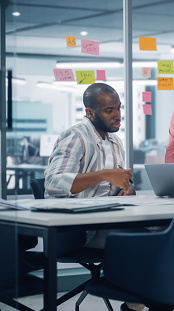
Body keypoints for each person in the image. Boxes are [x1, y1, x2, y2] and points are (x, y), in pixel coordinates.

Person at [44, 82, 142, 311]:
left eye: (119, 108)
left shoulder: (114, 141)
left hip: (105, 221)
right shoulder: (75, 137)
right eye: (109, 111)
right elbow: (53, 182)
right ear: (90, 113)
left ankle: (141, 299)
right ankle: (135, 303)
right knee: (139, 239)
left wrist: (125, 190)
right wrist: (103, 175)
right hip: (74, 230)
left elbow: (115, 187)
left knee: (156, 233)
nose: (117, 115)